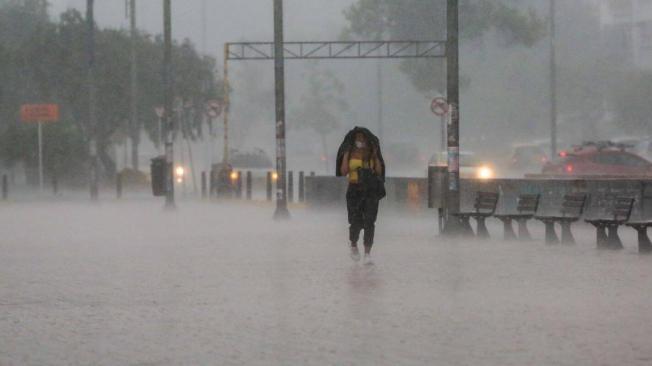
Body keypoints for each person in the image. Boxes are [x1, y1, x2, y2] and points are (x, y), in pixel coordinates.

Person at [336, 127, 386, 264]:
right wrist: (346, 154)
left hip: (370, 191)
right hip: (354, 189)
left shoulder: (371, 153)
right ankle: (353, 244)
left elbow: (379, 171)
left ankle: (367, 254)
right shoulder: (350, 152)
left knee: (370, 221)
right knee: (355, 221)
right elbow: (343, 171)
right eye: (358, 138)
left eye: (362, 138)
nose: (360, 140)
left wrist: (375, 156)